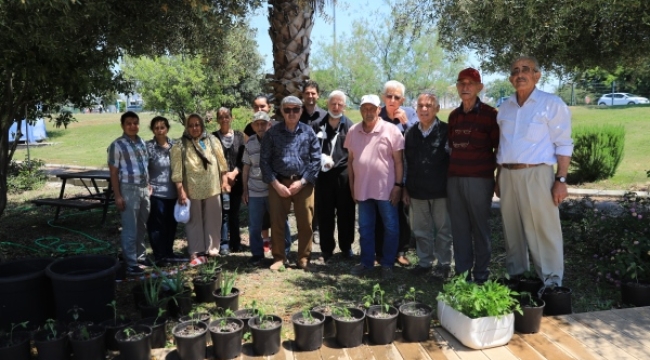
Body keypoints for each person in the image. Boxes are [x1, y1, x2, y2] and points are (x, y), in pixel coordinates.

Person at [496, 56, 573, 286]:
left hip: (537, 174)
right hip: (508, 175)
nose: (520, 74)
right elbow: (502, 145)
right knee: (512, 230)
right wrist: (499, 177)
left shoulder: (551, 103)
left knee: (543, 229)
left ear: (537, 75)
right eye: (515, 70)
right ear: (511, 79)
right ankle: (518, 279)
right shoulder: (505, 107)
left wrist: (561, 179)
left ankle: (551, 284)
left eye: (526, 69)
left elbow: (564, 143)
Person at [447, 68, 500, 283]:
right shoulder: (453, 116)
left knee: (480, 228)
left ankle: (481, 276)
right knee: (459, 229)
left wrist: (499, 178)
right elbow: (451, 147)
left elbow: (500, 149)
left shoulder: (490, 115)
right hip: (454, 180)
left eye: (470, 83)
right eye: (461, 83)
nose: (465, 87)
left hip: (480, 180)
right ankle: (462, 274)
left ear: (479, 87)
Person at [345, 94, 404, 280]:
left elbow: (399, 162)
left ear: (379, 110)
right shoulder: (353, 131)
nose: (368, 112)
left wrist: (398, 185)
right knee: (365, 228)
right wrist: (352, 187)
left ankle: (387, 264)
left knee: (391, 227)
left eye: (372, 109)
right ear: (360, 110)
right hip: (362, 189)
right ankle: (366, 262)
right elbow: (350, 162)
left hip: (386, 190)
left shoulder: (392, 130)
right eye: (364, 109)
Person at [260, 95, 321, 271]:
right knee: (277, 222)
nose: (292, 113)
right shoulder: (272, 133)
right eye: (287, 109)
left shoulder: (308, 132)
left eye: (295, 109)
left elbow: (316, 160)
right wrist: (276, 184)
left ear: (301, 111)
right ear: (282, 111)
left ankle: (303, 258)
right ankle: (279, 257)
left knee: (305, 223)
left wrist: (301, 183)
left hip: (303, 182)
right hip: (278, 182)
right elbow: (264, 161)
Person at [403, 93, 453, 279]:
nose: (424, 109)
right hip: (416, 191)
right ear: (416, 109)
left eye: (429, 105)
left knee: (443, 230)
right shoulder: (410, 133)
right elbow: (405, 162)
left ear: (437, 109)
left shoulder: (447, 131)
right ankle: (424, 263)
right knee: (421, 230)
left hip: (441, 191)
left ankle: (444, 264)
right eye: (421, 106)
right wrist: (405, 188)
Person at [171, 113, 228, 266]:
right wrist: (180, 190)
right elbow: (177, 171)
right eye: (191, 125)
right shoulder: (180, 145)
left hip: (212, 186)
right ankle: (196, 252)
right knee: (194, 221)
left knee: (214, 219)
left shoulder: (212, 140)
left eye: (197, 124)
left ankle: (212, 250)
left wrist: (224, 180)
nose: (194, 128)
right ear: (186, 127)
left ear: (202, 125)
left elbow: (222, 163)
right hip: (192, 188)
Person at [242, 111, 293, 266]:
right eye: (257, 124)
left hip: (274, 190)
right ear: (252, 126)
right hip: (255, 191)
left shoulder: (276, 140)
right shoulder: (249, 143)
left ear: (269, 124)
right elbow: (246, 168)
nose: (260, 126)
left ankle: (284, 253)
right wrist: (245, 190)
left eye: (263, 123)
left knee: (281, 222)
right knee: (255, 225)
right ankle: (257, 254)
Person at [376, 80, 418, 266]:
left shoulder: (409, 114)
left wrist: (406, 123)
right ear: (383, 97)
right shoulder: (378, 114)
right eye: (389, 96)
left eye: (396, 97)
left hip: (405, 171)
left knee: (402, 212)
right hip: (382, 172)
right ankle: (379, 252)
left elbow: (418, 138)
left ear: (403, 99)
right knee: (380, 213)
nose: (392, 100)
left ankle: (400, 251)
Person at [312, 90, 356, 263]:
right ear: (327, 104)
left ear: (344, 106)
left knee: (346, 213)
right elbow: (311, 149)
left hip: (344, 175)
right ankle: (327, 249)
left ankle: (346, 247)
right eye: (333, 103)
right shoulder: (317, 125)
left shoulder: (350, 126)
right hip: (323, 177)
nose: (336, 107)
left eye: (339, 104)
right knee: (325, 214)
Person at [107, 111, 151, 275]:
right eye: (129, 123)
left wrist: (148, 184)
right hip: (128, 189)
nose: (133, 126)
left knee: (141, 225)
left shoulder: (142, 142)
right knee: (129, 227)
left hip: (144, 189)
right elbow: (113, 173)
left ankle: (140, 256)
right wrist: (118, 195)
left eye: (135, 123)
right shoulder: (117, 145)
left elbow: (145, 166)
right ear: (123, 126)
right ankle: (130, 262)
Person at [146, 116, 186, 266]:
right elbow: (143, 169)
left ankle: (169, 253)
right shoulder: (148, 147)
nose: (159, 130)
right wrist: (146, 184)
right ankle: (159, 255)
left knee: (171, 224)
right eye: (156, 128)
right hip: (156, 193)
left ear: (167, 129)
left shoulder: (175, 146)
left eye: (162, 127)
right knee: (157, 226)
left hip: (173, 193)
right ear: (153, 130)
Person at [213, 107, 246, 255]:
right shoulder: (213, 137)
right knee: (223, 213)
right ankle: (224, 244)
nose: (224, 119)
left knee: (234, 213)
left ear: (231, 118)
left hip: (237, 181)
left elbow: (244, 158)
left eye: (226, 116)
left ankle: (236, 243)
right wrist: (225, 176)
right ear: (217, 120)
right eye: (221, 117)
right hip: (220, 182)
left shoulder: (240, 136)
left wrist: (235, 173)